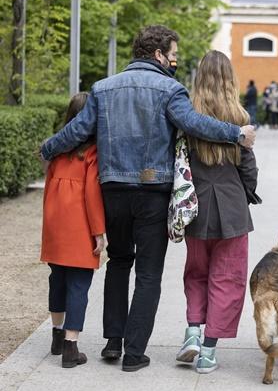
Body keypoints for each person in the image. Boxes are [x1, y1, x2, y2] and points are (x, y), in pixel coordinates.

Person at [40, 25, 256, 373]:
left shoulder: (103, 88)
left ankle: (113, 341)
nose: (175, 60)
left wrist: (48, 149)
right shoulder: (171, 90)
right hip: (153, 193)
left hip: (113, 191)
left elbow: (77, 131)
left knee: (119, 263)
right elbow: (197, 124)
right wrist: (236, 133)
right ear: (158, 54)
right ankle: (134, 353)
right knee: (149, 274)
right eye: (172, 53)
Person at [175, 50, 261, 374]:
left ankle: (192, 333)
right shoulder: (239, 118)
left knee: (196, 272)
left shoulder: (188, 116)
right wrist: (248, 194)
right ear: (230, 80)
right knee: (227, 278)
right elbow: (248, 169)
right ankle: (208, 352)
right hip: (231, 208)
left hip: (195, 206)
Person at [40, 92, 106, 369]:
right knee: (79, 285)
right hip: (79, 228)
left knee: (58, 280)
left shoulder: (56, 153)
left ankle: (56, 336)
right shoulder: (92, 154)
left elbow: (47, 190)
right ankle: (70, 346)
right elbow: (92, 195)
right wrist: (99, 232)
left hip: (55, 226)